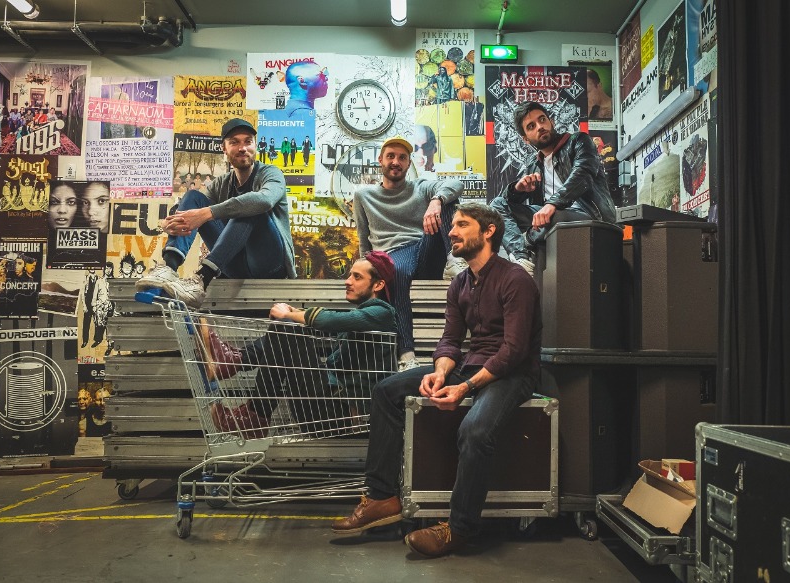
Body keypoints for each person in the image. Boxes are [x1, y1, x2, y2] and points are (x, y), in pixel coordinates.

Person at [333, 202, 542, 558]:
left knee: (475, 431)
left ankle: (459, 529)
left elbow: (514, 350)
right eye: (453, 225)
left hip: (512, 373)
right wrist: (441, 372)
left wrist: (466, 387)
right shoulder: (460, 282)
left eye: (462, 225)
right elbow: (450, 341)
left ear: (488, 231)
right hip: (472, 365)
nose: (452, 232)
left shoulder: (515, 279)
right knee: (387, 391)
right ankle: (382, 497)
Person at [201, 251, 397, 437]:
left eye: (357, 277)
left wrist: (288, 315)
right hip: (322, 406)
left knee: (287, 326)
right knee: (288, 327)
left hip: (337, 415)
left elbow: (329, 320)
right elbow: (324, 323)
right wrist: (293, 313)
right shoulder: (363, 318)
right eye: (350, 275)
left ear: (378, 285)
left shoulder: (383, 313)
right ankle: (236, 365)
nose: (348, 281)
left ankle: (248, 395)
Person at [135, 118, 296, 308]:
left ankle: (202, 279)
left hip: (269, 265)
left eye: (248, 141)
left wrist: (208, 213)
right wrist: (170, 223)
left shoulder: (270, 173)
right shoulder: (221, 184)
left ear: (255, 146)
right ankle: (169, 267)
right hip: (235, 266)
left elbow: (264, 200)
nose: (242, 148)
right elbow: (192, 208)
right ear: (224, 149)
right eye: (234, 142)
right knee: (193, 196)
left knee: (250, 206)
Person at [354, 135, 466, 372]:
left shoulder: (420, 187)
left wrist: (436, 200)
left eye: (402, 157)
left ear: (408, 163)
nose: (396, 162)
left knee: (446, 200)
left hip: (425, 249)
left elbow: (456, 185)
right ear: (380, 160)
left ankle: (454, 259)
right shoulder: (364, 195)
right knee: (396, 271)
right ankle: (407, 354)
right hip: (392, 255)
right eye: (391, 156)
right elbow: (364, 237)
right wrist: (363, 268)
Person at [489, 101, 617, 276]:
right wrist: (518, 190)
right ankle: (522, 257)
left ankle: (526, 243)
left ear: (552, 122)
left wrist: (553, 204)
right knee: (496, 206)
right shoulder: (533, 164)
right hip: (550, 218)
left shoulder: (579, 141)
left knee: (555, 216)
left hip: (590, 213)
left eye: (542, 119)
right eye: (531, 126)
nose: (540, 127)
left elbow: (583, 174)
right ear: (525, 139)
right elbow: (509, 204)